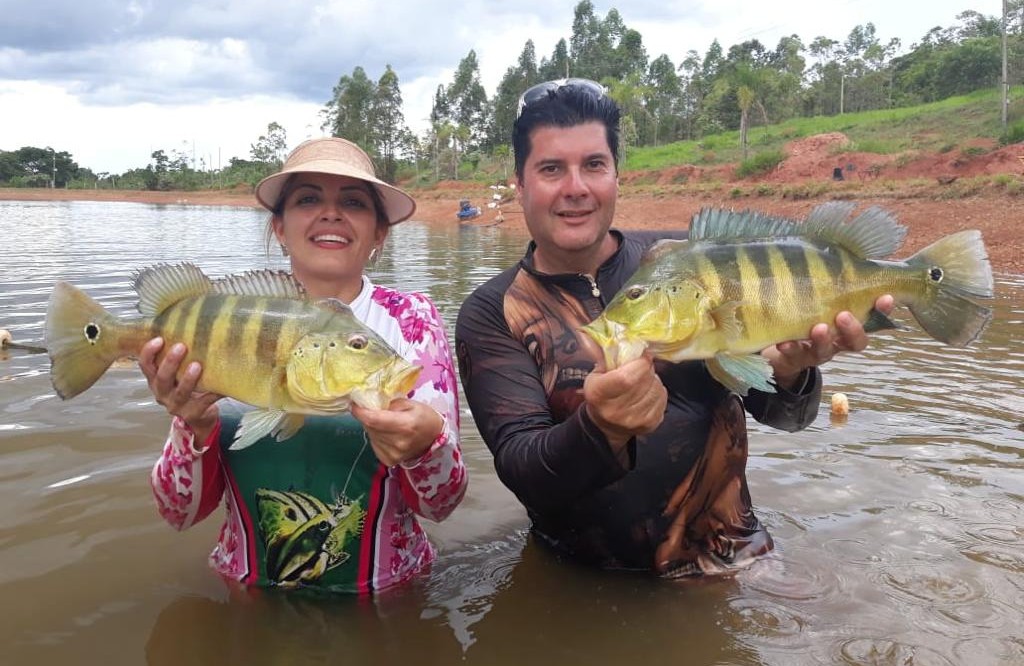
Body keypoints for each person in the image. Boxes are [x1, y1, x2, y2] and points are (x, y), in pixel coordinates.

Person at [454, 78, 892, 577]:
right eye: (551, 169)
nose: (575, 188)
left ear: (617, 175)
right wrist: (601, 428)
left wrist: (793, 375)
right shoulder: (492, 312)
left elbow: (787, 418)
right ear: (521, 184)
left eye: (594, 165)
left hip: (736, 561)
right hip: (585, 581)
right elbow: (522, 470)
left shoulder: (681, 261)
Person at [141, 137, 467, 595]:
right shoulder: (229, 320)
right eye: (308, 198)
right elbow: (178, 513)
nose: (331, 213)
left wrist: (426, 444)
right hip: (248, 598)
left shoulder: (410, 322)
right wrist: (191, 424)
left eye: (353, 202)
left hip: (388, 596)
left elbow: (443, 504)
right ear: (279, 226)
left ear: (379, 232)